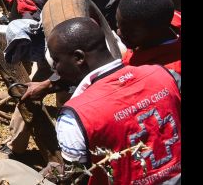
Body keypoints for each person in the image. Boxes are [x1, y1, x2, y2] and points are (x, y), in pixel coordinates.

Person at [49, 18, 181, 184]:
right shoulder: (164, 75)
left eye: (56, 60)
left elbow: (78, 178)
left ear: (79, 58)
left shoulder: (74, 116)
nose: (55, 68)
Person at [117, 0, 180, 74]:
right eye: (118, 25)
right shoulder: (170, 18)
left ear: (156, 33)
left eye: (129, 32)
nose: (118, 33)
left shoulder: (164, 72)